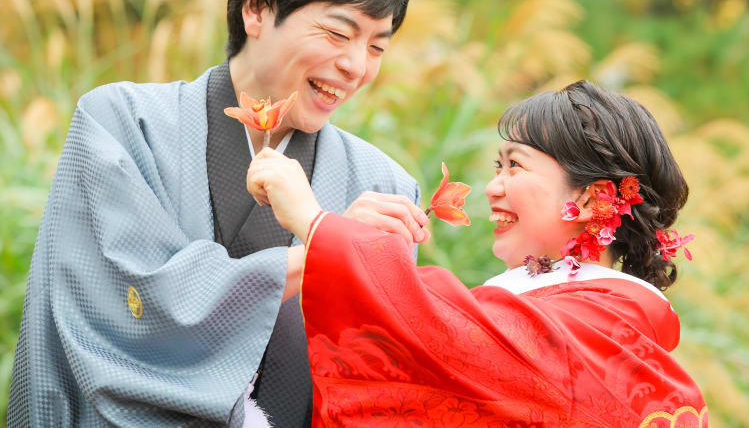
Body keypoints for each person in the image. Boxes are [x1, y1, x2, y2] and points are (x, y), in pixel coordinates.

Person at [7, 0, 431, 426]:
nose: (355, 66)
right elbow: (127, 309)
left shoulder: (387, 185)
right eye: (338, 33)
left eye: (377, 47)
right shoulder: (121, 125)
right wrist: (332, 247)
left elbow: (380, 387)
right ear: (257, 10)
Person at [250, 80, 709, 427]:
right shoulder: (609, 327)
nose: (492, 187)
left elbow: (440, 333)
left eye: (515, 166)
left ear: (592, 199)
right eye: (497, 166)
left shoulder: (587, 322)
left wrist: (314, 221)